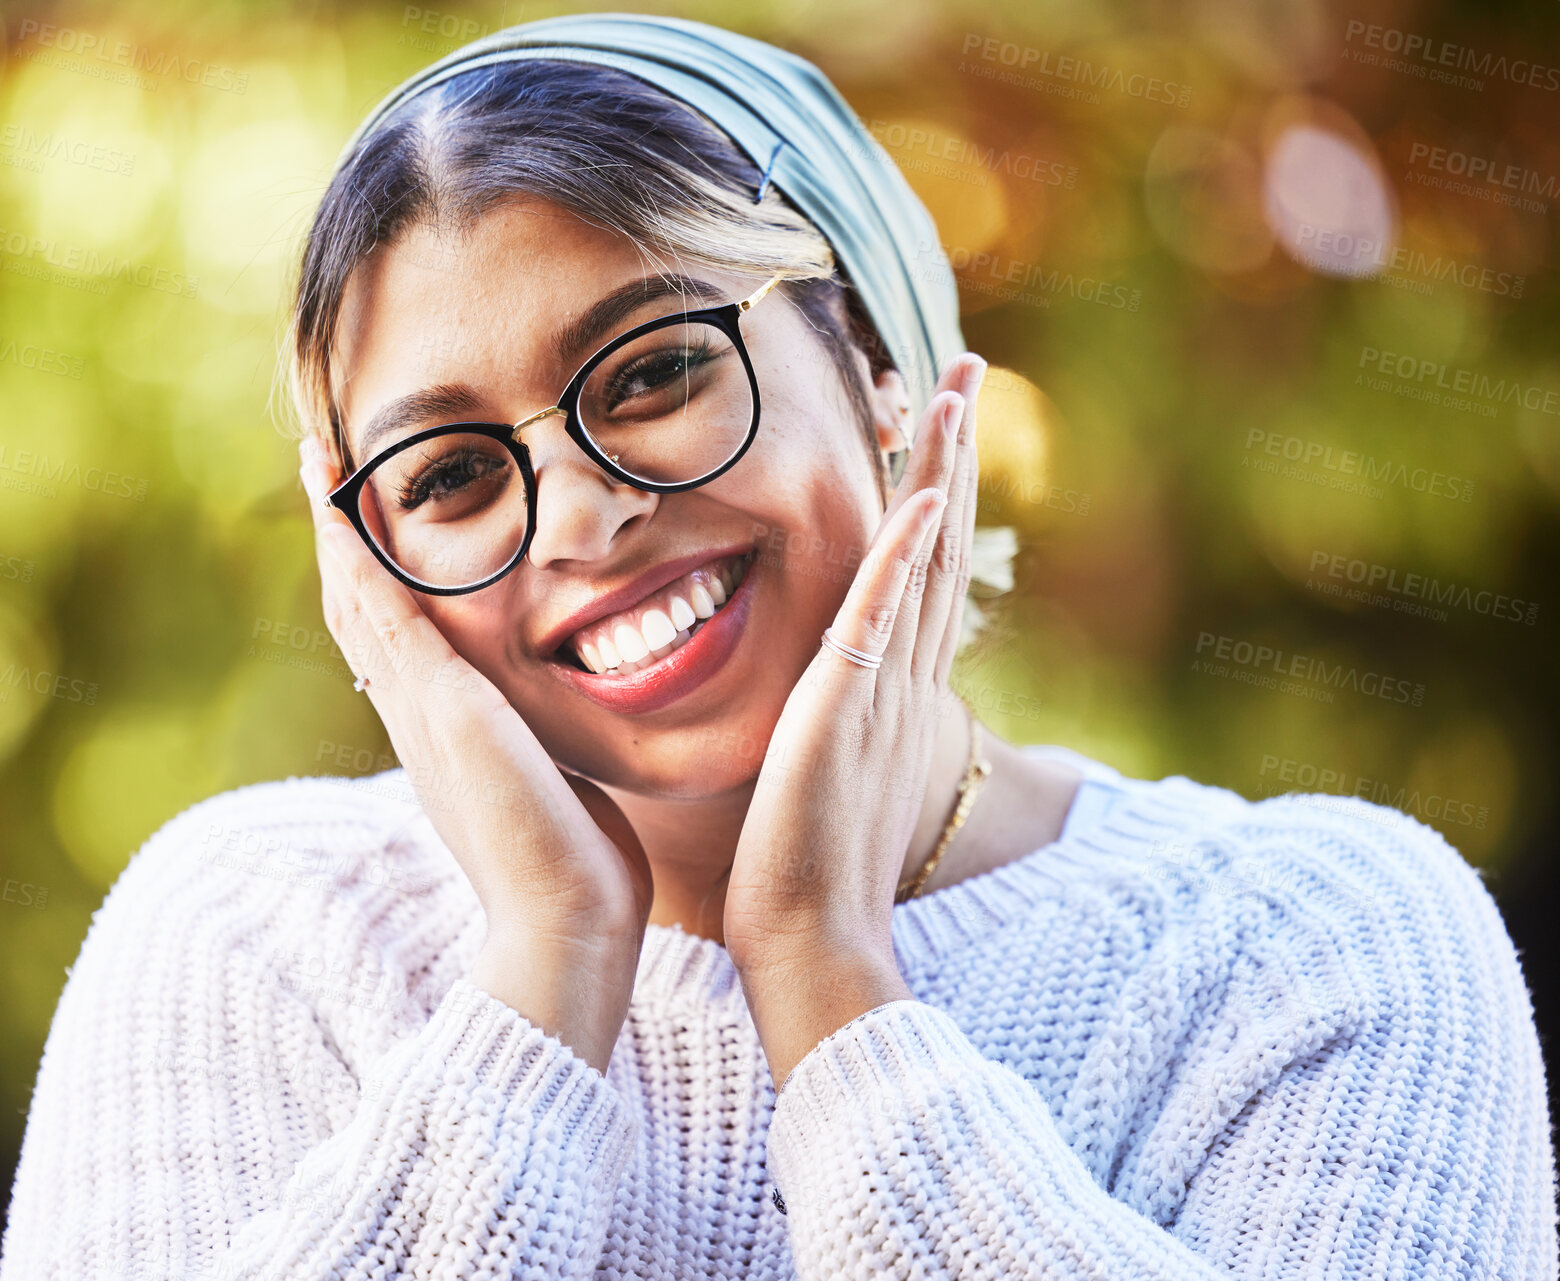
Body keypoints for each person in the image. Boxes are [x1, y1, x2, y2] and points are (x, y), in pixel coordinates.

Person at [2, 13, 1554, 1281]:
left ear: (884, 371)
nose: (579, 517)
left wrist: (826, 981)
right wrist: (543, 975)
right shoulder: (254, 938)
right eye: (453, 475)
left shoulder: (1320, 943)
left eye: (658, 367)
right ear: (369, 573)